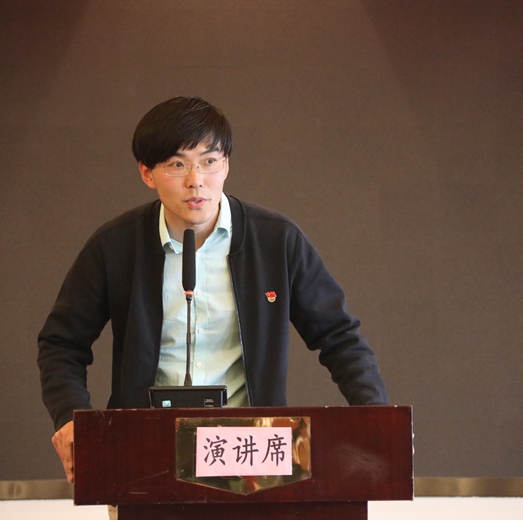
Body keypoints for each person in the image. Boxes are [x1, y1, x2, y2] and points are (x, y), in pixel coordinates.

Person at [37, 96, 389, 495]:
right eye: (177, 164)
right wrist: (71, 418)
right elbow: (62, 343)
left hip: (252, 455)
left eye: (209, 161)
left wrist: (375, 417)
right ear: (147, 173)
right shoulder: (115, 245)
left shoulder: (276, 239)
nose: (196, 180)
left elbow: (338, 336)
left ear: (227, 165)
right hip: (144, 451)